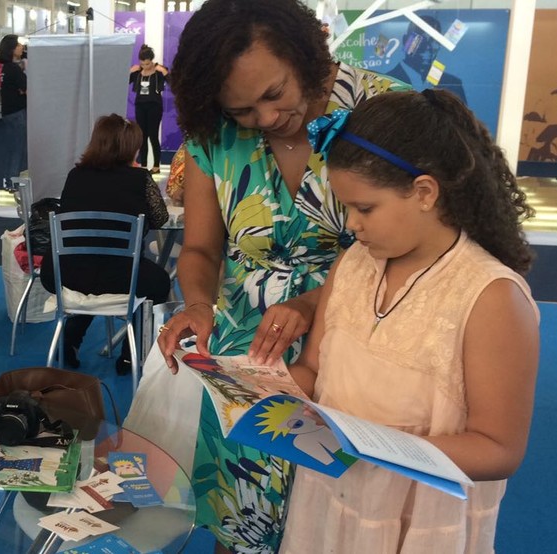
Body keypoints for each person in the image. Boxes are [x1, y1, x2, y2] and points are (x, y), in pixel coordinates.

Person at [153, 0, 406, 550]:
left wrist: (315, 303)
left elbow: (420, 251)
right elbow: (199, 248)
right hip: (247, 362)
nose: (264, 120)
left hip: (358, 347)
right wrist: (198, 303)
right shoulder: (213, 135)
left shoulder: (385, 113)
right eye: (242, 110)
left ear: (304, 55)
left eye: (274, 94)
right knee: (243, 520)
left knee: (342, 518)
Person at [280, 89, 539, 552]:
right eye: (345, 207)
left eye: (364, 208)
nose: (351, 225)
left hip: (414, 518)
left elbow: (499, 447)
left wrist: (374, 446)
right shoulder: (353, 264)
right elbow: (314, 370)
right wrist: (259, 393)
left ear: (424, 192)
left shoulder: (490, 296)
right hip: (332, 493)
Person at [40, 114, 169, 374]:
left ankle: (71, 338)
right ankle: (131, 355)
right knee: (160, 283)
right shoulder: (141, 179)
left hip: (65, 274)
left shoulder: (75, 176)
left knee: (92, 267)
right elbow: (160, 219)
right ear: (131, 148)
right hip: (121, 277)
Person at [385, 16, 467, 103]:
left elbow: (461, 116)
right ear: (405, 41)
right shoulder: (386, 82)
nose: (428, 47)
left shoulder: (452, 83)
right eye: (420, 39)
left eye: (435, 41)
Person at [129, 44, 169, 174]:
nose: (145, 66)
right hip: (140, 105)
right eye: (143, 64)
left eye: (147, 64)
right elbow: (123, 81)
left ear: (152, 61)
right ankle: (144, 165)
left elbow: (173, 83)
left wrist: (165, 73)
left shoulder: (158, 72)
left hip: (154, 106)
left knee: (153, 135)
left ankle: (156, 166)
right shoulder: (137, 72)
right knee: (142, 136)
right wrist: (129, 72)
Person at [0, 34, 27, 185]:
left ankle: (9, 181)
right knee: (18, 150)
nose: (21, 47)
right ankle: (13, 184)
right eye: (18, 45)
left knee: (13, 150)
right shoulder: (14, 69)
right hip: (17, 113)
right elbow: (27, 88)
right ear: (11, 49)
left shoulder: (6, 69)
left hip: (8, 113)